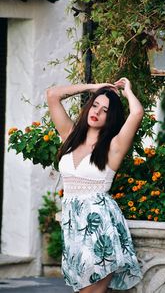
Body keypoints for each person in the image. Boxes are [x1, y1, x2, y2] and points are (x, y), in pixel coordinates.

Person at [46, 77, 144, 293]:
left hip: (100, 227)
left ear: (111, 118)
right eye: (95, 105)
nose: (97, 112)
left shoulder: (113, 147)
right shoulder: (70, 137)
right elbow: (53, 94)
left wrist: (127, 91)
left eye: (105, 110)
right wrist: (94, 88)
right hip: (73, 227)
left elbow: (137, 113)